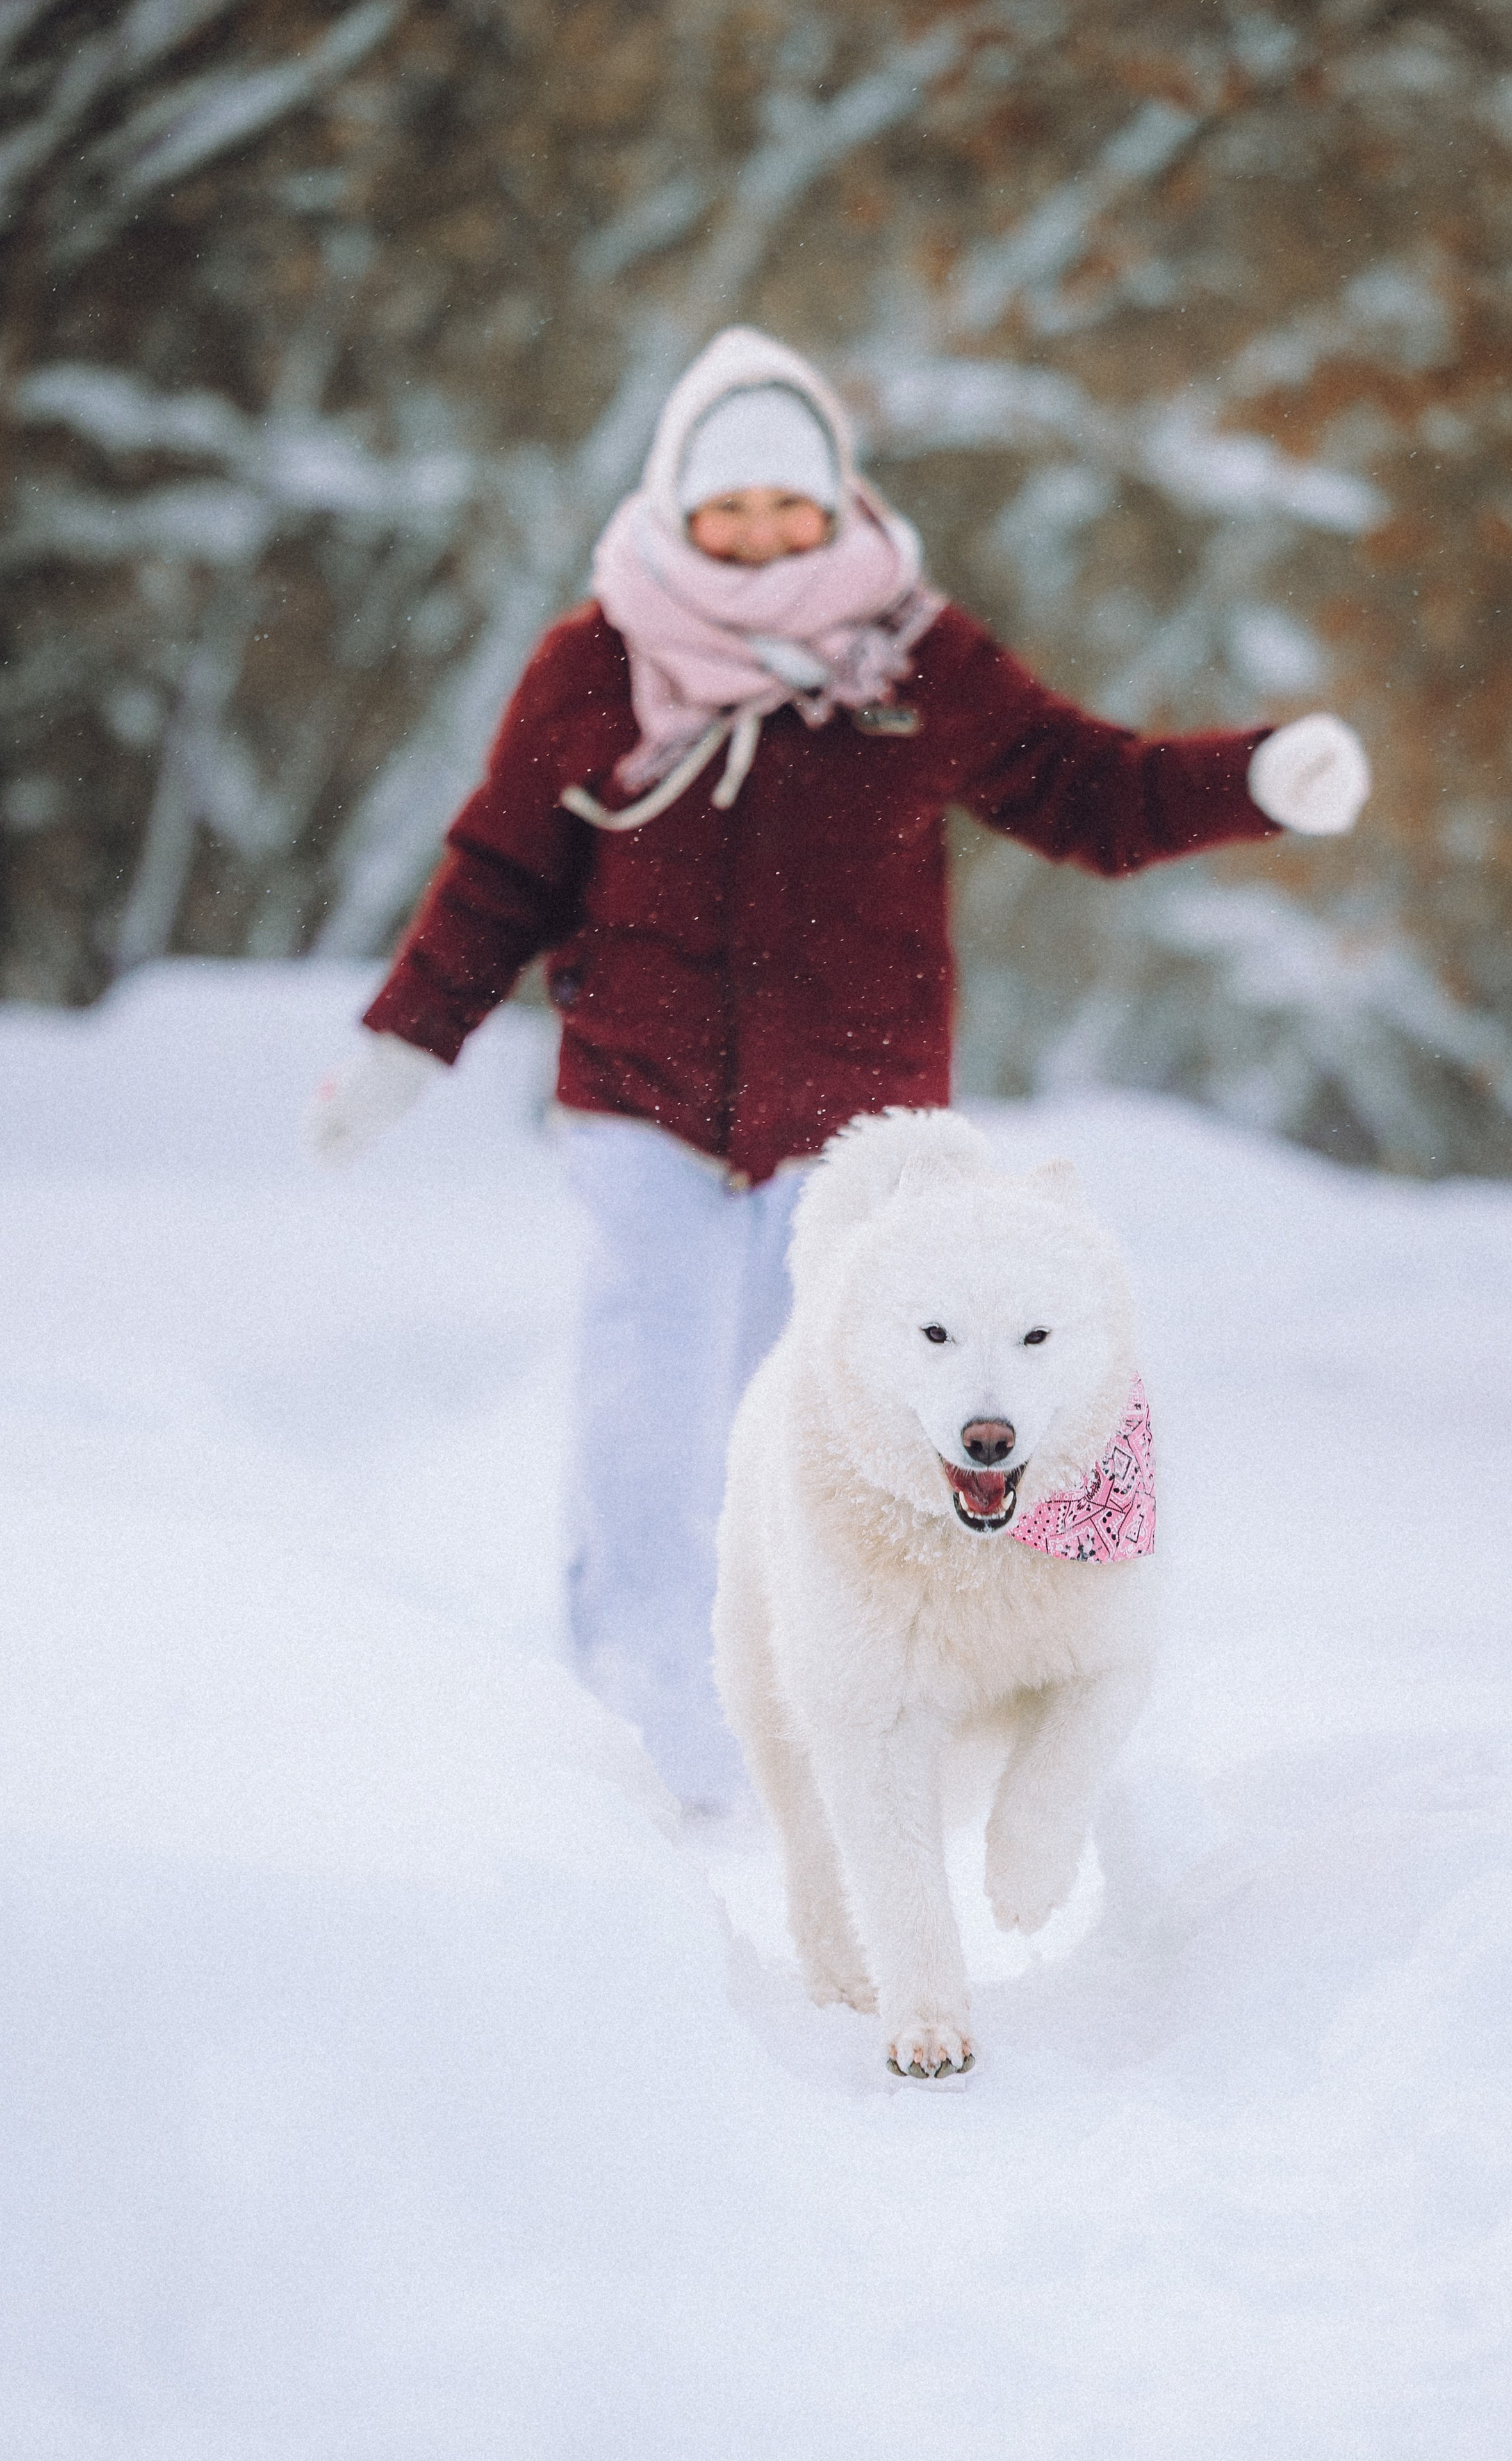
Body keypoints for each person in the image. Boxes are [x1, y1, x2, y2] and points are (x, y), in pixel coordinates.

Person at [306, 326, 1370, 1806]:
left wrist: (1257, 779)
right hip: (642, 1104)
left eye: (785, 508)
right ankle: (636, 1726)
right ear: (677, 502)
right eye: (726, 508)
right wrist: (402, 1045)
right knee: (643, 1413)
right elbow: (500, 876)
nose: (756, 534)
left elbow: (1090, 794)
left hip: (848, 1136)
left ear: (833, 502)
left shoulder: (911, 661)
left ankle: (817, 1724)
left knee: (804, 1439)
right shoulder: (595, 663)